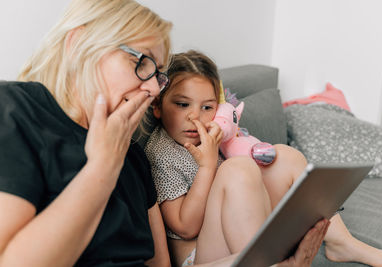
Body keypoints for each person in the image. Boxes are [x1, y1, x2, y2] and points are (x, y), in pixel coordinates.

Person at [0, 0, 331, 266]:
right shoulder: (17, 110)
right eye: (142, 63)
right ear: (78, 45)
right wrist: (101, 169)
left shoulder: (133, 156)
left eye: (157, 75)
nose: (151, 89)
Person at [145, 50, 382, 267]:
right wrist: (208, 165)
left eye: (207, 107)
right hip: (201, 255)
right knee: (237, 168)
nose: (195, 117)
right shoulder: (162, 152)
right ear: (157, 106)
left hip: (238, 230)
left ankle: (340, 242)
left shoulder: (219, 135)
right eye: (182, 105)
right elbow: (185, 227)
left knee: (285, 156)